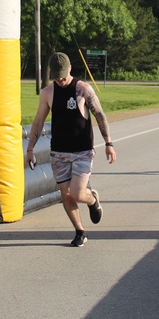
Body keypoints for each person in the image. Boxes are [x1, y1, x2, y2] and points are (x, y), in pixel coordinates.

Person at [25, 52, 116, 247]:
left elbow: (99, 115)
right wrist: (30, 149)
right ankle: (80, 231)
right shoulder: (48, 93)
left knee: (77, 193)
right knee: (65, 194)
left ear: (70, 70)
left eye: (63, 75)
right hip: (59, 152)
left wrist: (109, 143)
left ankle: (92, 200)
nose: (60, 79)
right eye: (56, 75)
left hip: (82, 150)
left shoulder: (83, 89)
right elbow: (38, 122)